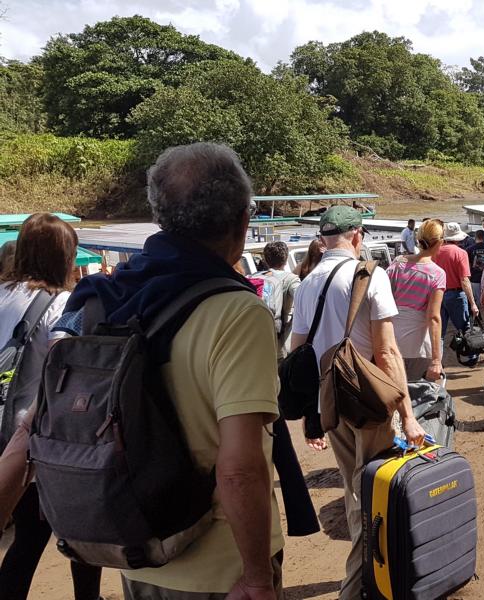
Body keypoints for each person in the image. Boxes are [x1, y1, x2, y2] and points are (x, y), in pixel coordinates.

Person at [54, 143, 283, 598]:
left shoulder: (102, 297)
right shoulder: (237, 312)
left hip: (138, 549)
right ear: (242, 219)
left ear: (162, 218)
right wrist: (257, 577)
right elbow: (239, 470)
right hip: (219, 565)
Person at [289, 205, 426, 600]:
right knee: (375, 498)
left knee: (355, 493)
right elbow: (387, 353)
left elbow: (299, 352)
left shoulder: (308, 281)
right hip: (368, 403)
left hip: (330, 403)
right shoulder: (370, 275)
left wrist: (313, 414)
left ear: (323, 238)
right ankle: (360, 585)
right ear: (357, 235)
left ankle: (371, 575)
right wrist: (408, 415)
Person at [0, 214, 102, 600]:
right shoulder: (62, 304)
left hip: (2, 433)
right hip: (38, 439)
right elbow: (67, 362)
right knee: (81, 534)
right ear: (65, 256)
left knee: (25, 540)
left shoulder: (2, 294)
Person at [387, 219, 445, 381]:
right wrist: (436, 360)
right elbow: (433, 317)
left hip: (390, 341)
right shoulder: (436, 273)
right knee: (419, 399)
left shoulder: (397, 264)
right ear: (439, 242)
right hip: (417, 346)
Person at [435, 223, 481, 361]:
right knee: (465, 329)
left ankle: (437, 363)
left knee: (439, 333)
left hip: (438, 294)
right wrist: (473, 303)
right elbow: (464, 280)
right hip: (456, 295)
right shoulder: (461, 253)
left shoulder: (435, 252)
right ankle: (471, 358)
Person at [251, 241, 300, 360]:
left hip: (254, 338)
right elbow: (304, 300)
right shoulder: (291, 279)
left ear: (265, 259)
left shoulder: (254, 277)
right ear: (286, 258)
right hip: (278, 341)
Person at [467, 229, 484, 314]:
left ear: (475, 237)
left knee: (477, 300)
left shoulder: (469, 249)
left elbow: (468, 265)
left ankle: (479, 317)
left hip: (474, 278)